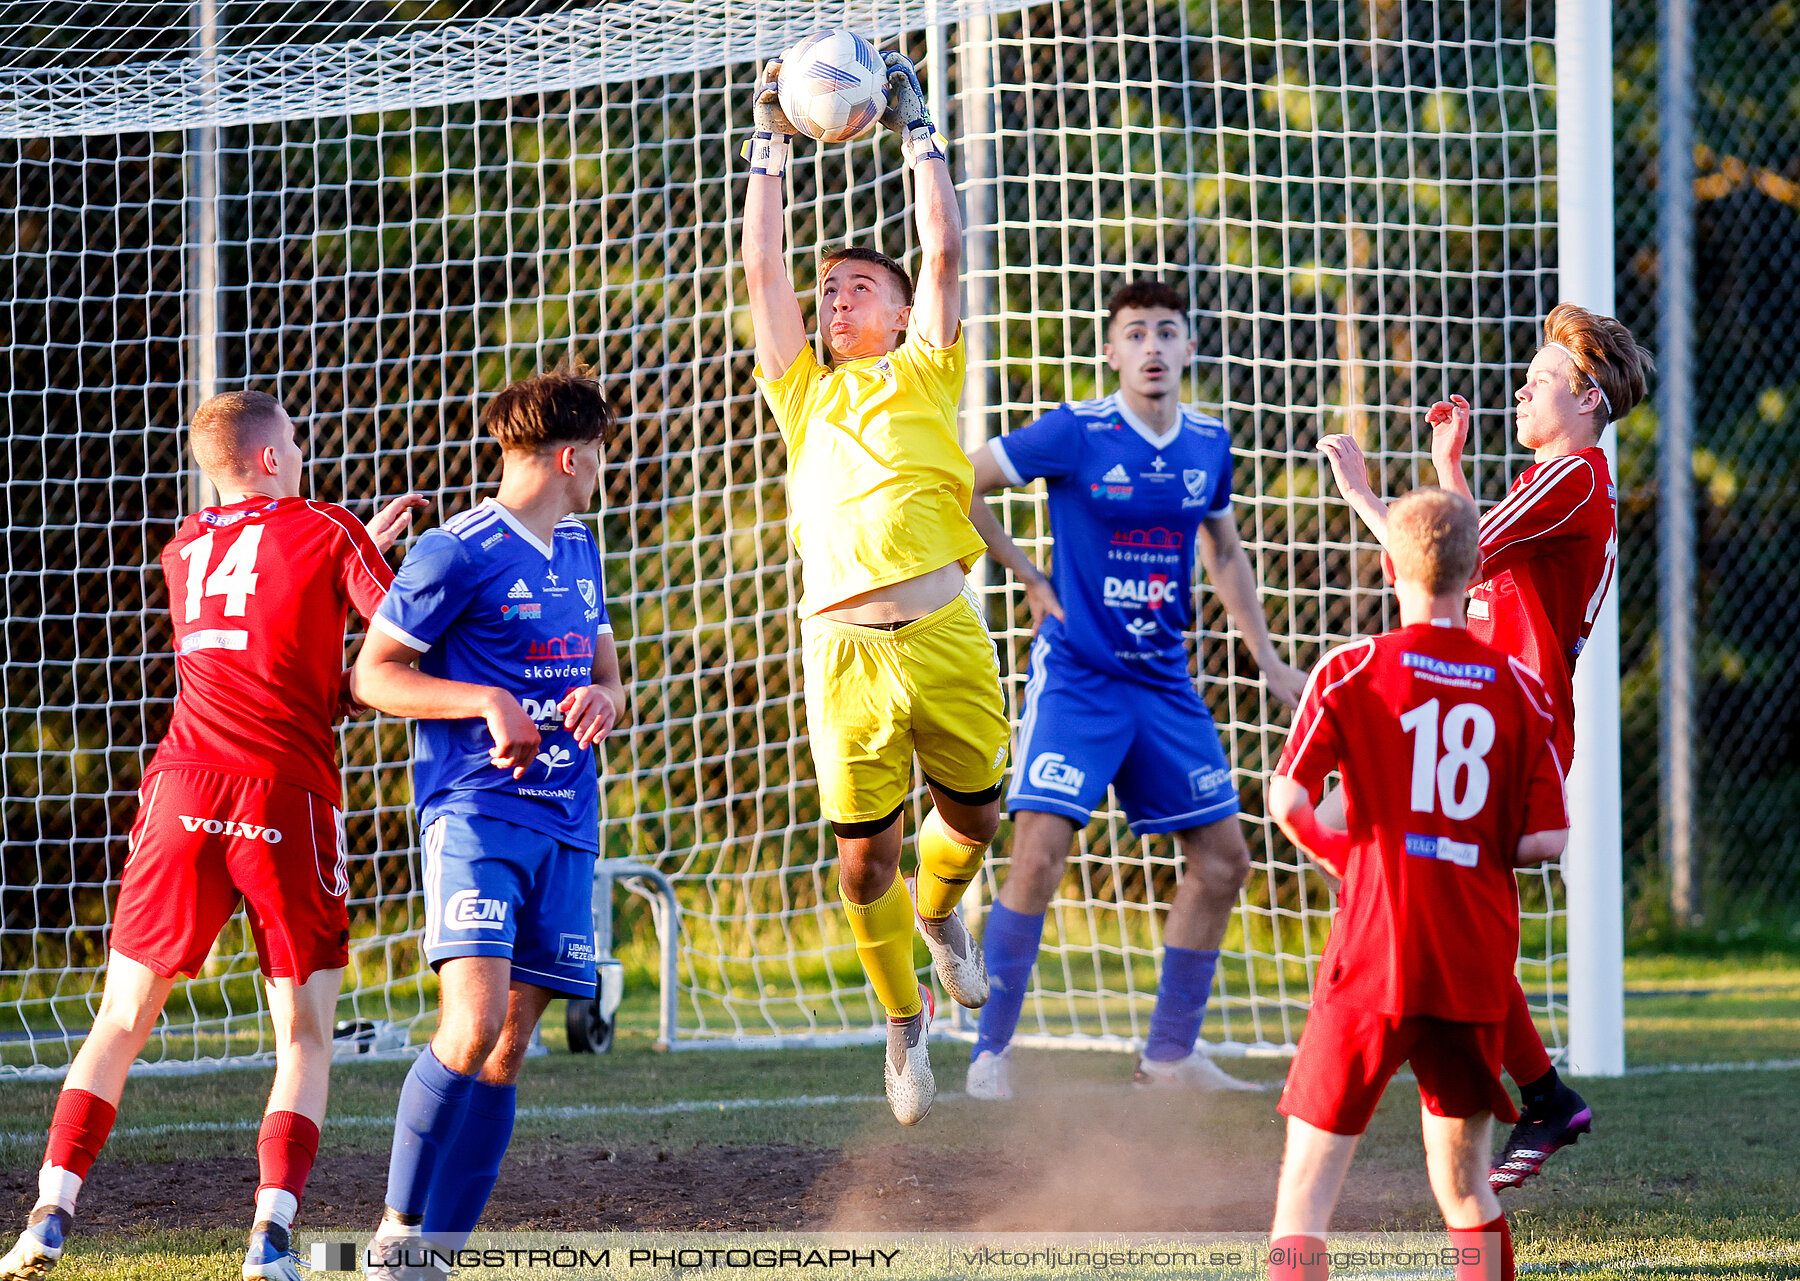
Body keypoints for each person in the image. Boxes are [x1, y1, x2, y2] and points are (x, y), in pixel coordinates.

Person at [0, 392, 424, 1281]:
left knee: (120, 1017)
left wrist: (350, 551)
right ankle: (269, 1239)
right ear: (271, 458)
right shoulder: (330, 526)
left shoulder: (183, 545)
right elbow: (394, 658)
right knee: (305, 1036)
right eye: (299, 442)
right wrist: (381, 560)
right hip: (283, 791)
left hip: (182, 787)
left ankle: (46, 1213)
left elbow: (255, 645)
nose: (305, 452)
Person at [1317, 303, 1652, 1188]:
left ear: (1585, 399)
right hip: (1492, 720)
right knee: (1438, 900)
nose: (1522, 387)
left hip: (1514, 727)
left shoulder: (1573, 476)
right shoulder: (1559, 480)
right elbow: (1466, 568)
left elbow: (1444, 564)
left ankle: (1528, 1091)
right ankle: (1533, 1092)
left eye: (1540, 378)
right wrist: (1450, 470)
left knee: (1424, 889)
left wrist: (1363, 495)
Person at [741, 51, 1007, 1125]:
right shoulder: (803, 394)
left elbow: (944, 246)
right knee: (862, 869)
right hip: (840, 651)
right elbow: (764, 273)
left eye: (859, 287)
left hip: (941, 626)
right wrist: (768, 140)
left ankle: (943, 921)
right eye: (830, 290)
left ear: (900, 315)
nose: (835, 296)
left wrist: (918, 129)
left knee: (975, 820)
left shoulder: (925, 368)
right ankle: (904, 1025)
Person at [959, 279, 1306, 1099]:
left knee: (1225, 861)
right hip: (1079, 677)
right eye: (1136, 334)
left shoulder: (1208, 444)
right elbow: (961, 481)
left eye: (1167, 332)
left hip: (1165, 684)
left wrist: (1268, 658)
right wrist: (1030, 577)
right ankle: (989, 1053)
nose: (1152, 347)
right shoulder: (1076, 433)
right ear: (1111, 352)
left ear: (1190, 349)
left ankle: (1171, 1055)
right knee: (1038, 857)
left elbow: (1223, 553)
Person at [351, 369, 625, 1277]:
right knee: (470, 1024)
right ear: (570, 455)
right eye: (601, 454)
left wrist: (606, 697)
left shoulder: (581, 545)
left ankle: (444, 1254)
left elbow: (605, 662)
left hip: (567, 817)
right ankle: (397, 1229)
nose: (603, 471)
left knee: (509, 1045)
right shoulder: (454, 549)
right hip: (475, 811)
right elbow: (375, 675)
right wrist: (486, 699)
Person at [1265, 488, 1570, 1281]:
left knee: (1304, 1195)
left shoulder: (1352, 667)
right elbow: (1547, 838)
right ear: (1476, 570)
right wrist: (1465, 846)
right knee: (1466, 1185)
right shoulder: (1520, 688)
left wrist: (1353, 856)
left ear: (1389, 565)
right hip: (1468, 962)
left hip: (1372, 953)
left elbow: (1287, 800)